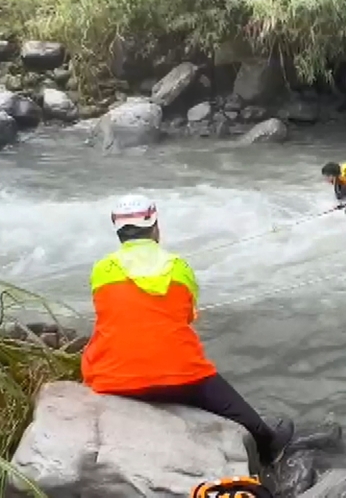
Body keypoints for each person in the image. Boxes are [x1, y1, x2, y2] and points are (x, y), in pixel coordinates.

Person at [82, 194, 295, 465]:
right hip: (182, 379)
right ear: (155, 227)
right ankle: (269, 445)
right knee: (235, 408)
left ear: (118, 230)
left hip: (111, 380)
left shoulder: (101, 270)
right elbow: (186, 316)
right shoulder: (180, 267)